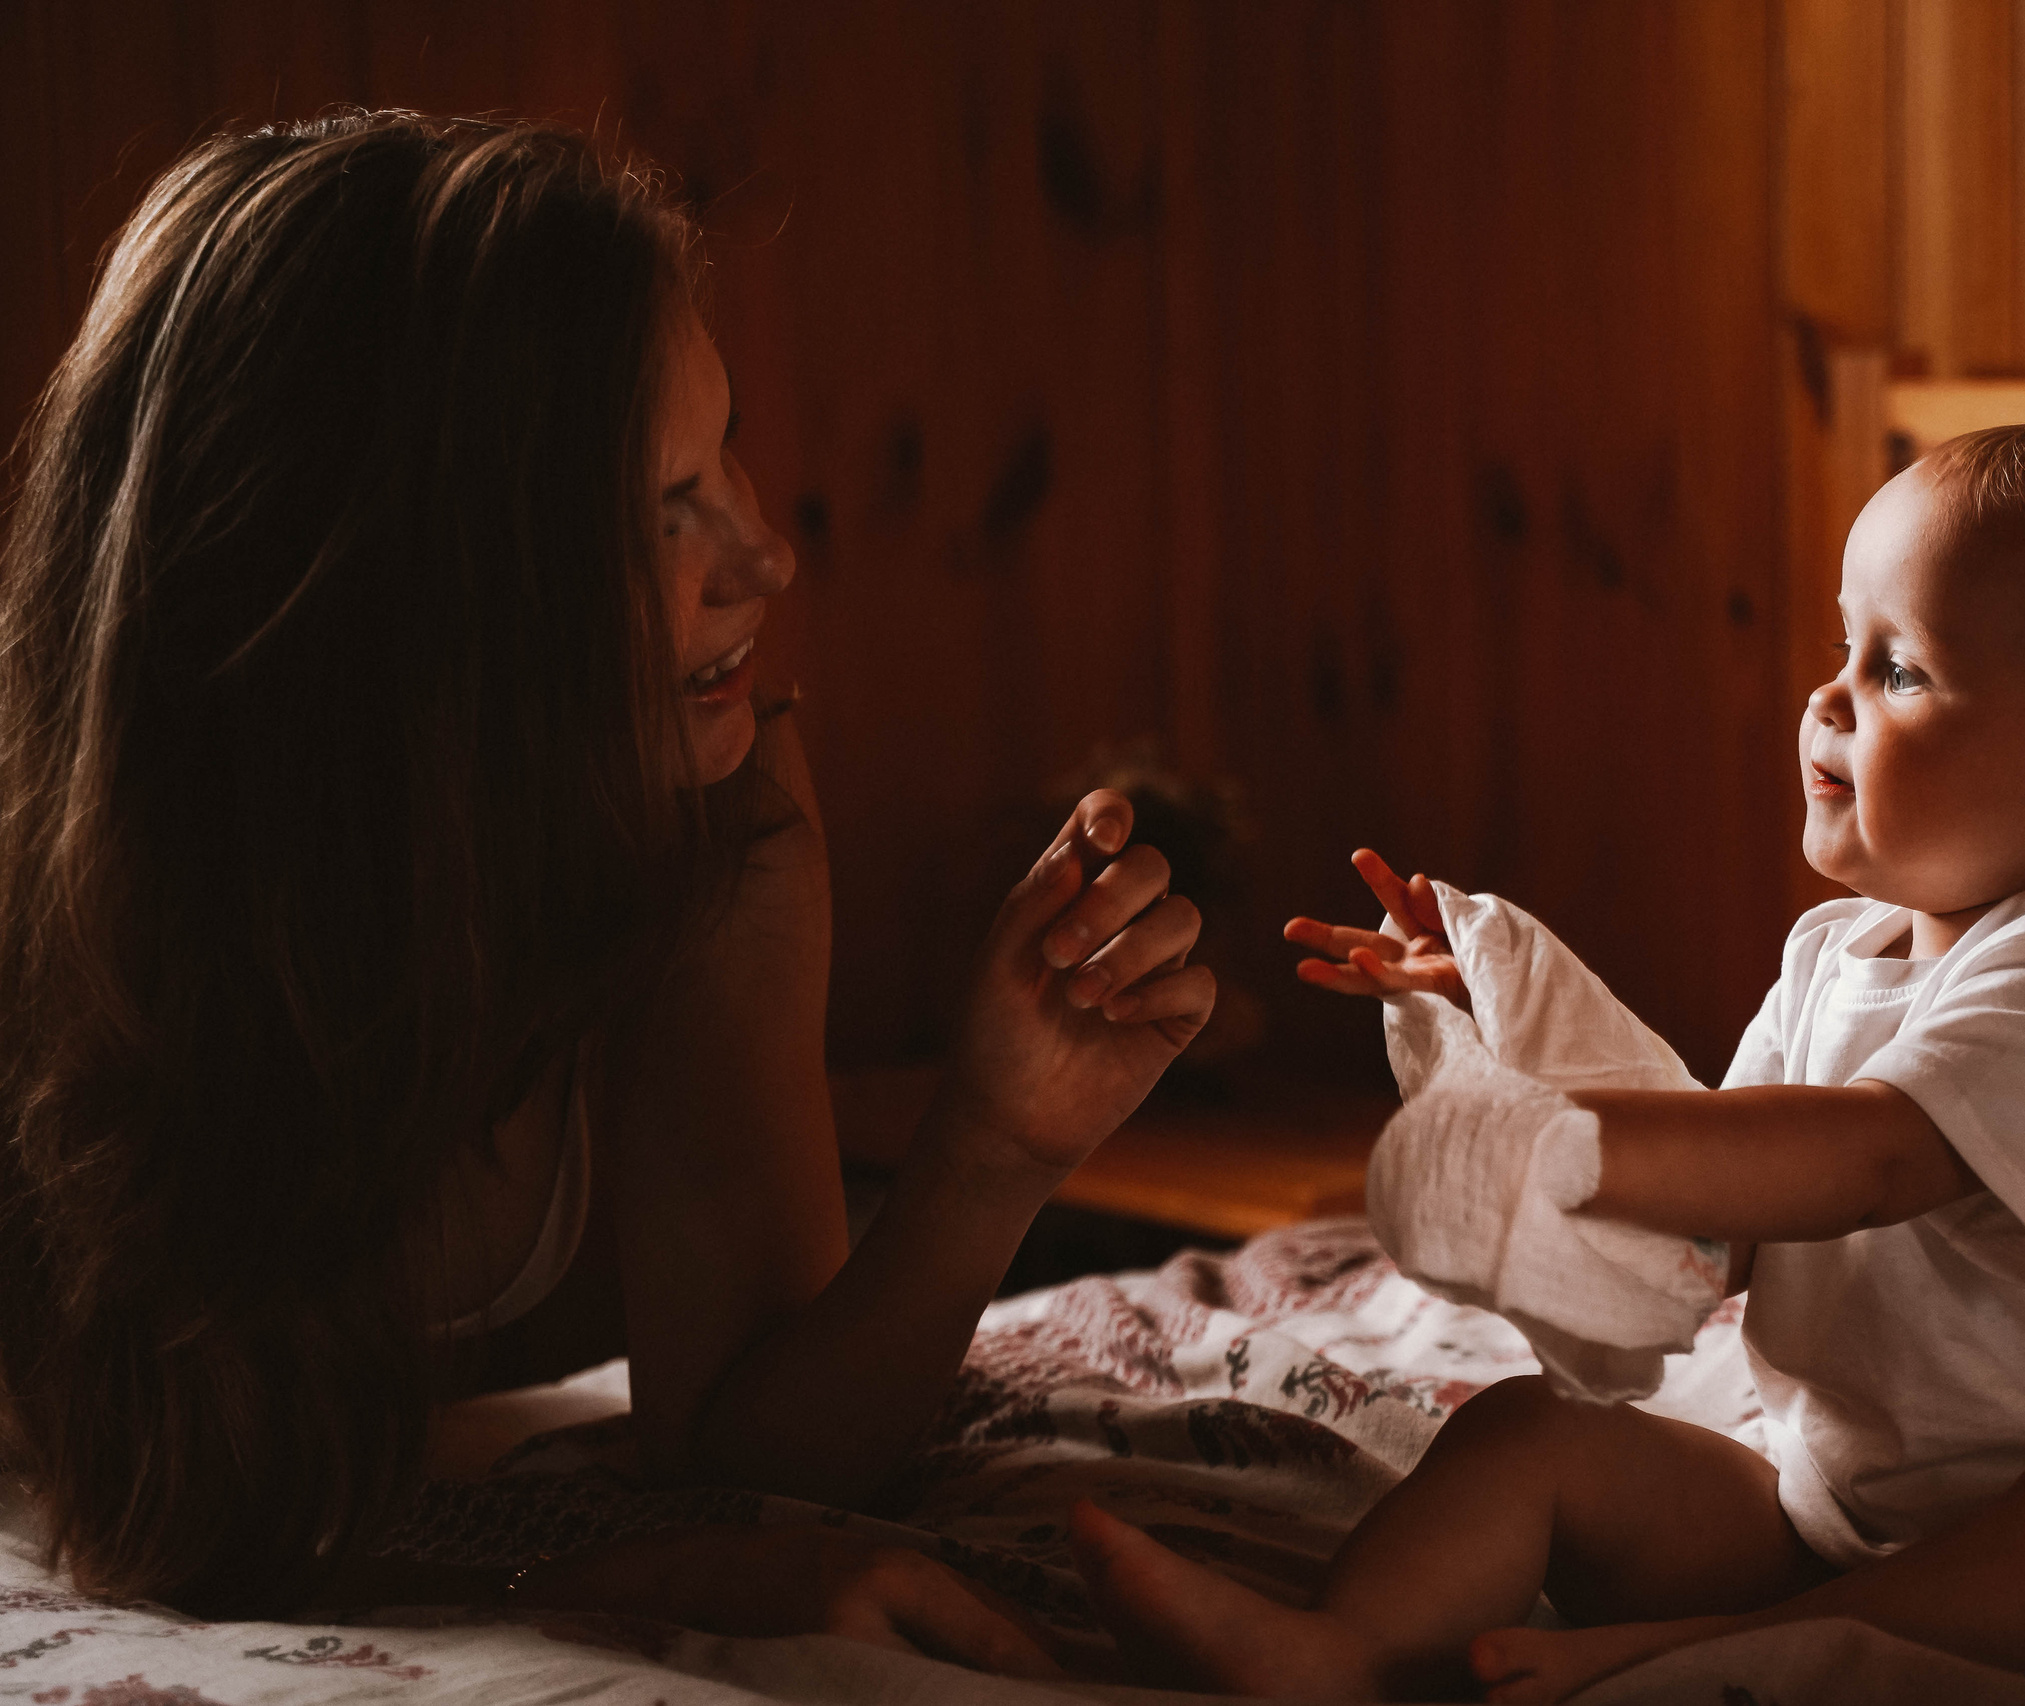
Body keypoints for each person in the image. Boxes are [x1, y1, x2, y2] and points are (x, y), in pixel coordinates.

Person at [0, 110, 1212, 1667]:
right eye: (662, 512)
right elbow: (171, 1534)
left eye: (726, 460)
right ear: (421, 604)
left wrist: (993, 1145)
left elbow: (749, 1450)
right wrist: (592, 1593)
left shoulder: (710, 828)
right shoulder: (92, 932)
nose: (765, 556)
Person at [1068, 425, 2025, 1703]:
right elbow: (1726, 1204)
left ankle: (1674, 1663)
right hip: (1819, 1521)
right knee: (1532, 1431)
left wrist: (1559, 1138)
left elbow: (1869, 1155)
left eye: (1901, 667)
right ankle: (1337, 1654)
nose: (1829, 695)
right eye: (1840, 643)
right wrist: (1511, 1022)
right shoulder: (1835, 954)